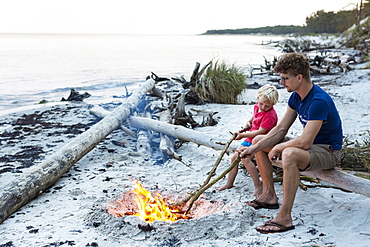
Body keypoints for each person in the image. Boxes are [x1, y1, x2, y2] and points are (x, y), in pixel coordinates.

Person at [239, 52, 343, 234]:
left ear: (299, 77)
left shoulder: (318, 100)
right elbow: (280, 130)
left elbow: (305, 141)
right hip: (311, 148)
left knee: (289, 153)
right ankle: (269, 195)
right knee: (259, 140)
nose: (281, 82)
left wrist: (279, 147)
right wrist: (254, 148)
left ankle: (285, 217)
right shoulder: (296, 96)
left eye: (285, 78)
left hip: (329, 151)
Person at [217, 85, 279, 197]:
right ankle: (229, 183)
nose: (263, 107)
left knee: (245, 159)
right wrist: (249, 122)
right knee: (234, 158)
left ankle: (258, 185)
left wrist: (242, 135)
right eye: (261, 104)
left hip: (261, 141)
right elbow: (254, 116)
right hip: (250, 138)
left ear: (273, 105)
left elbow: (260, 132)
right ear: (258, 100)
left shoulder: (270, 116)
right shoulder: (257, 107)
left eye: (267, 106)